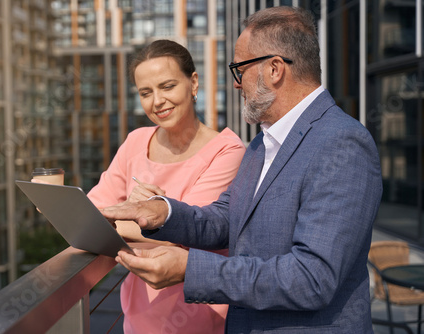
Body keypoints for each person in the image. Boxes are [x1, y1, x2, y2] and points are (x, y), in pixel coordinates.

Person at [102, 6, 383, 334]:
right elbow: (224, 220)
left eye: (240, 70)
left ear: (275, 69)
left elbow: (311, 278)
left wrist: (191, 270)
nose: (237, 84)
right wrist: (159, 214)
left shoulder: (342, 142)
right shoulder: (261, 144)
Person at [86, 40, 246, 333]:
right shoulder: (136, 141)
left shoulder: (227, 151)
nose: (157, 101)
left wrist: (122, 216)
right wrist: (129, 215)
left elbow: (192, 232)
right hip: (138, 318)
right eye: (146, 93)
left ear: (193, 83)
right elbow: (91, 213)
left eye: (167, 86)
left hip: (201, 317)